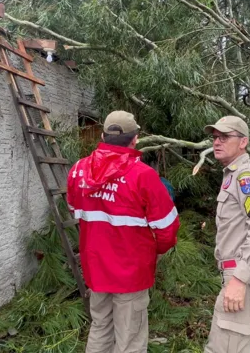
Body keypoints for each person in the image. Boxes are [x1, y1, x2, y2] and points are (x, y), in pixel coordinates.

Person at [66, 110, 180, 353]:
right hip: (131, 272)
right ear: (135, 138)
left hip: (96, 268)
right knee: (130, 338)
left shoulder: (78, 170)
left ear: (104, 136)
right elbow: (167, 229)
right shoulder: (144, 176)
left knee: (100, 327)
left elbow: (74, 209)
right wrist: (155, 252)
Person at [202, 116, 250, 353]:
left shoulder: (248, 177)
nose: (217, 142)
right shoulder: (233, 175)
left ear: (243, 141)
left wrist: (239, 279)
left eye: (225, 137)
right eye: (215, 137)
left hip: (246, 276)